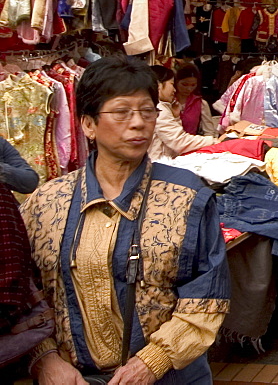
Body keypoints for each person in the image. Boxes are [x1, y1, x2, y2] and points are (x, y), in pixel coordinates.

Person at [20, 56, 230, 384]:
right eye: (121, 112)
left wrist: (152, 362)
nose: (138, 123)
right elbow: (23, 295)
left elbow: (208, 297)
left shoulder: (188, 197)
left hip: (171, 377)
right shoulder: (45, 204)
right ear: (88, 124)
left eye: (147, 111)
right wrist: (44, 358)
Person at [148, 66, 218, 161]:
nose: (174, 90)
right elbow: (178, 141)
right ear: (159, 85)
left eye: (193, 85)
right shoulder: (160, 109)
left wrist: (176, 117)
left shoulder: (199, 103)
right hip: (160, 161)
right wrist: (213, 141)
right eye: (172, 84)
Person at [173, 63, 217, 137]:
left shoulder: (201, 104)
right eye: (184, 84)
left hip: (192, 145)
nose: (189, 89)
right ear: (176, 82)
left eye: (193, 85)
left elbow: (209, 132)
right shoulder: (168, 102)